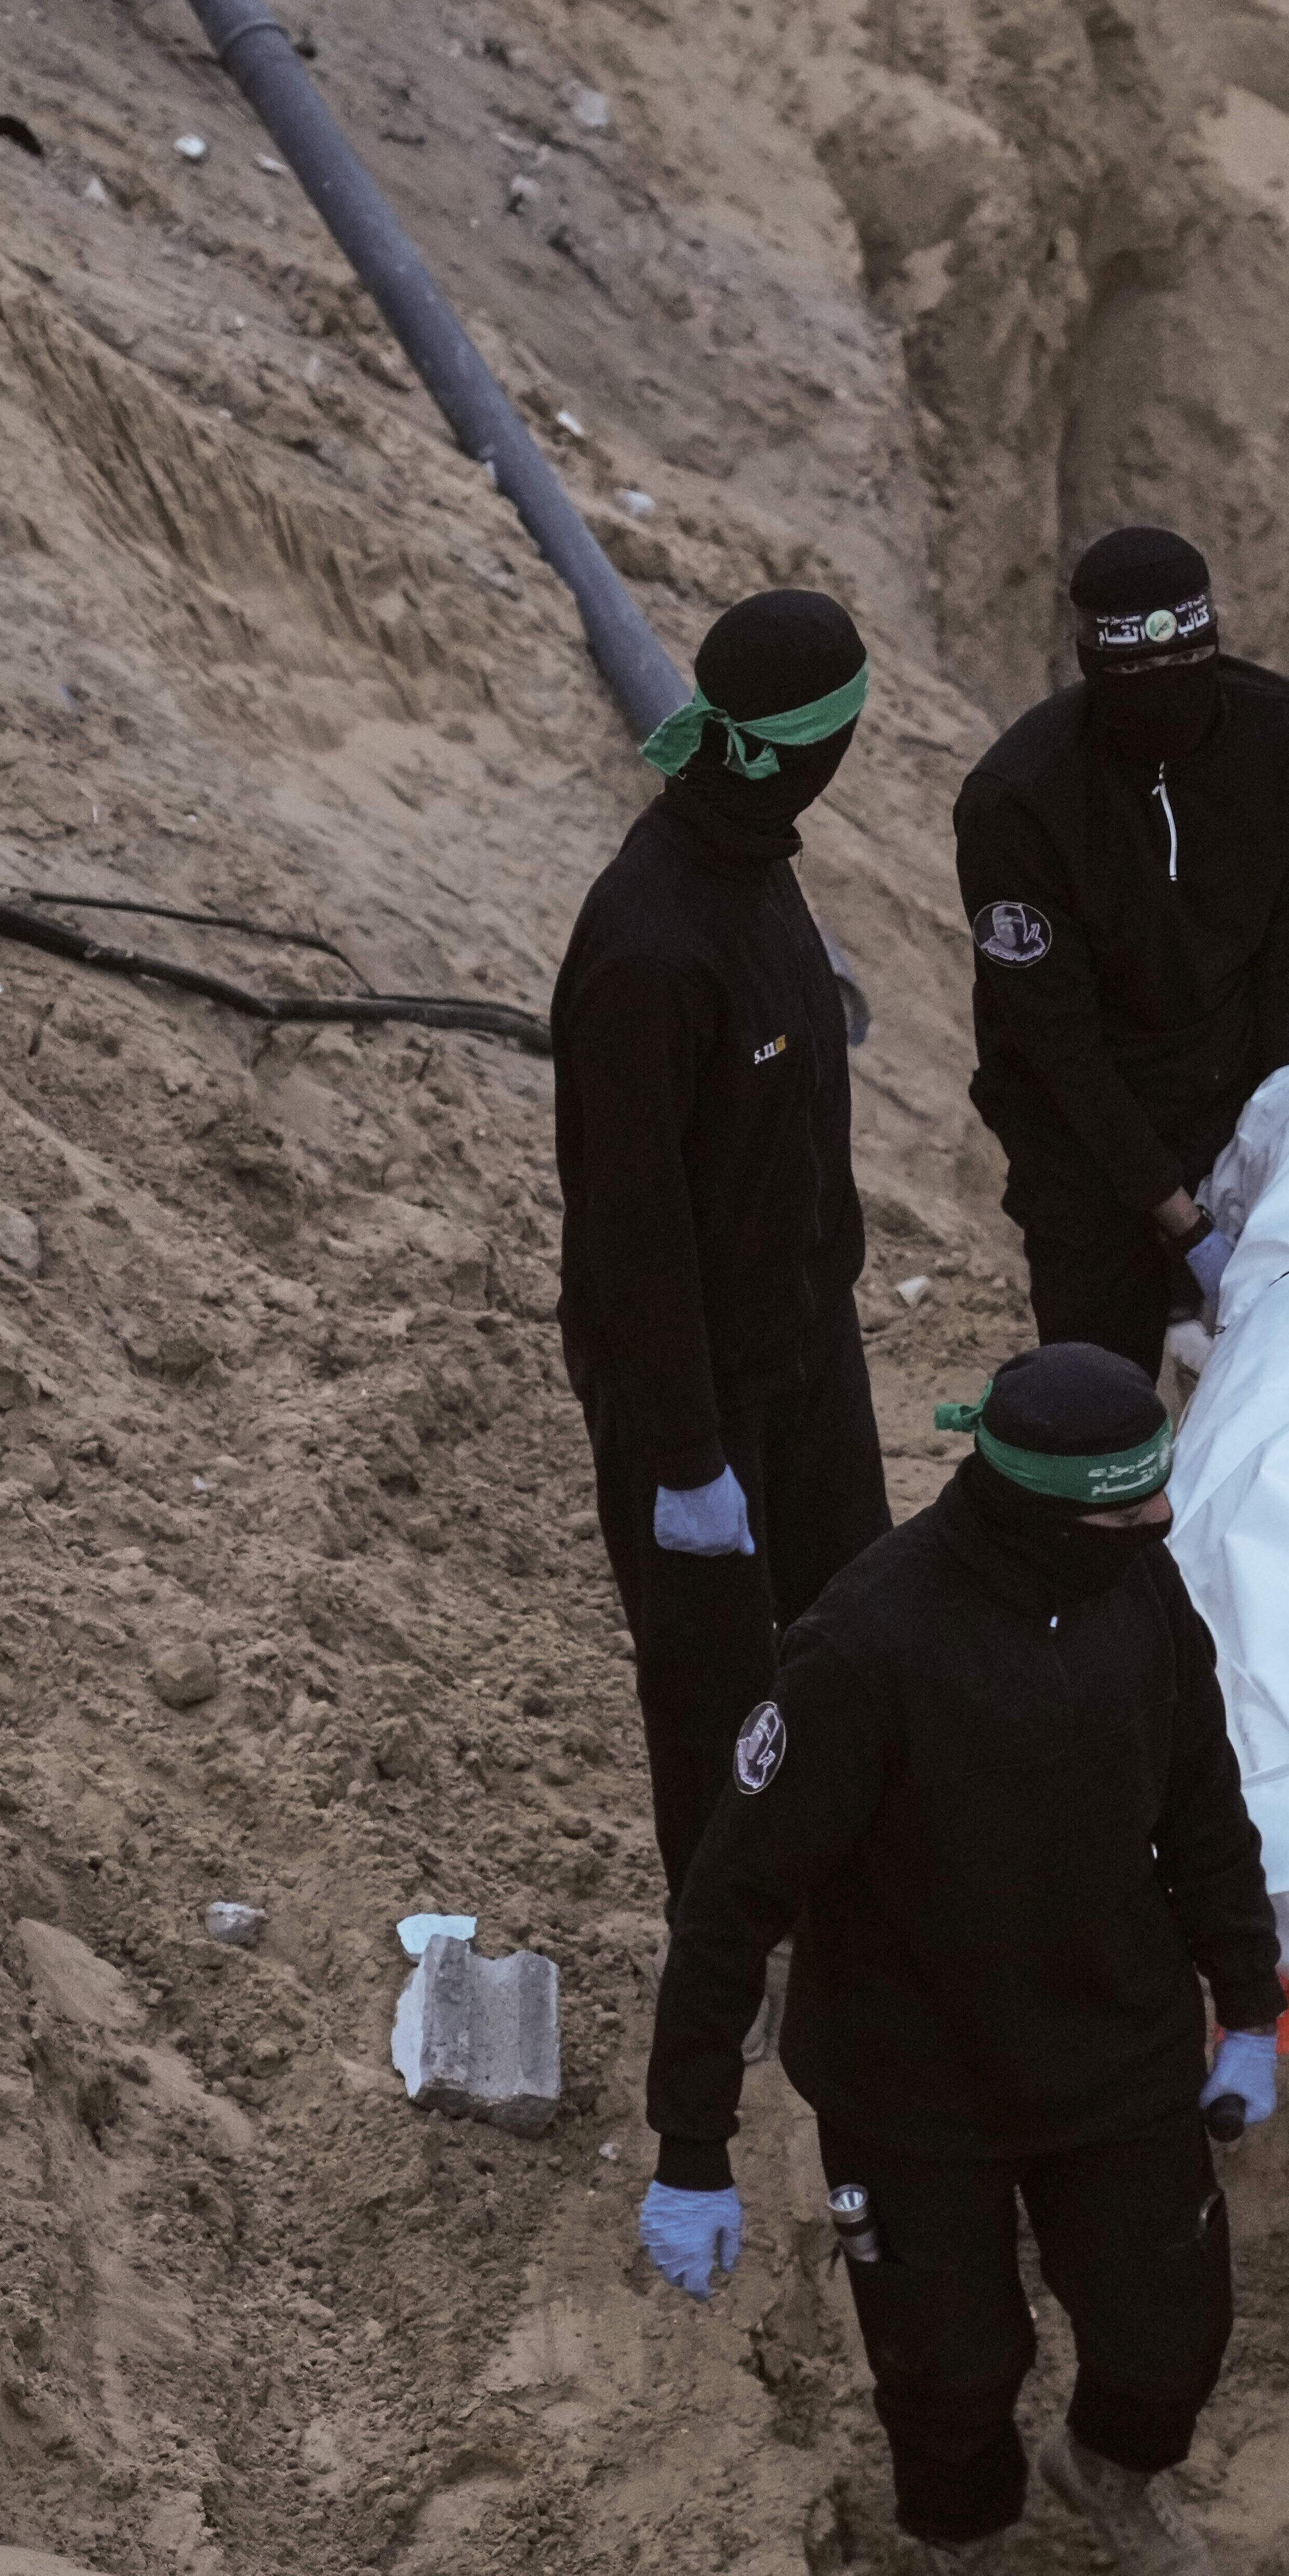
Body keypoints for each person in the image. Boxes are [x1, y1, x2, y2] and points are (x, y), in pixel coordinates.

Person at [635, 1342, 1286, 2576]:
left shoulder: (1140, 1593)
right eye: (1128, 1516)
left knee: (1172, 2323)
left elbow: (1204, 1801)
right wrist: (692, 2142)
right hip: (911, 2086)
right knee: (950, 2365)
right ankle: (963, 2572)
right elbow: (732, 1896)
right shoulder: (866, 1650)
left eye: (1159, 1505)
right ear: (1039, 1509)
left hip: (1115, 2051)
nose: (1162, 1531)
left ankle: (1113, 2472)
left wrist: (1252, 2003)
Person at [553, 587, 893, 1903]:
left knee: (850, 1630)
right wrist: (689, 1459)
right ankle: (726, 1930)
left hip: (806, 1343)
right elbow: (629, 1223)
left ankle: (845, 1883)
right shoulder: (652, 944)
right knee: (710, 1692)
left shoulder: (758, 867)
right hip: (689, 1387)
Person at [958, 527, 1289, 1377]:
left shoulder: (1283, 736)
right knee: (1105, 1400)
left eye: (1186, 669)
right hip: (1080, 1141)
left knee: (1274, 1388)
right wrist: (1178, 1219)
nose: (1163, 699)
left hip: (1235, 1097)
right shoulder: (1020, 799)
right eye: (1133, 678)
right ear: (1089, 663)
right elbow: (1054, 1039)